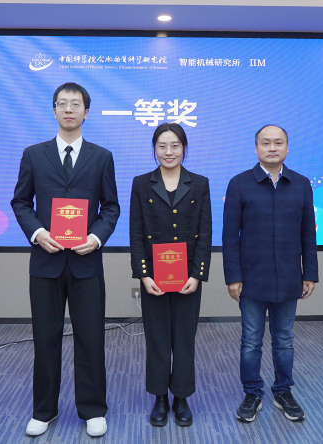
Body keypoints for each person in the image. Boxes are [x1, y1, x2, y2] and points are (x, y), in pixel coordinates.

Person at [11, 82, 120, 438]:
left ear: (86, 112)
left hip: (86, 262)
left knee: (91, 338)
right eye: (62, 103)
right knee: (45, 339)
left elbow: (111, 206)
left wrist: (96, 237)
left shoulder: (101, 156)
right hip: (46, 262)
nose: (69, 109)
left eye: (76, 104)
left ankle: (93, 409)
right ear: (54, 110)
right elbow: (21, 202)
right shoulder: (34, 154)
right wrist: (37, 232)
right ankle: (44, 410)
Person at [222, 124, 318, 423]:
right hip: (251, 278)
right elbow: (230, 236)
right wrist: (233, 276)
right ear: (256, 148)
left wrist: (310, 273)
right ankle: (252, 393)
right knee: (251, 341)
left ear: (287, 147)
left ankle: (283, 392)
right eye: (266, 143)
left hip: (289, 277)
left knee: (284, 339)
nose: (272, 148)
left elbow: (308, 234)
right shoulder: (239, 184)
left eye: (278, 143)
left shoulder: (301, 184)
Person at [129, 123, 212, 427]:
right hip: (154, 277)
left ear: (184, 148)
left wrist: (197, 275)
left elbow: (205, 234)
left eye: (175, 145)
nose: (168, 152)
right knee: (158, 338)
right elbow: (136, 233)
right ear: (154, 149)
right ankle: (160, 397)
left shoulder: (199, 184)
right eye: (162, 146)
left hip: (188, 276)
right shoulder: (141, 184)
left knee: (184, 338)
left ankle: (181, 397)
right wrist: (144, 275)